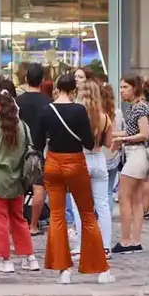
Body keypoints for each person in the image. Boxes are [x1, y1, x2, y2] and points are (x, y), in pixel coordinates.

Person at [35, 73, 112, 284]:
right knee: (88, 214)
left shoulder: (46, 111)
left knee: (57, 216)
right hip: (75, 163)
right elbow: (88, 143)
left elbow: (37, 142)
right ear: (74, 90)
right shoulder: (79, 110)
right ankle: (101, 270)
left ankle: (63, 271)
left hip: (52, 163)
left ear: (58, 88)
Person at [0, 92, 38, 273]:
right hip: (17, 179)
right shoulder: (24, 127)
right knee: (19, 219)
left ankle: (6, 260)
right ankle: (30, 257)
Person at [111, 74, 149, 255]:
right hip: (137, 155)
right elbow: (134, 130)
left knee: (124, 197)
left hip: (137, 154)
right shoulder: (138, 107)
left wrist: (122, 139)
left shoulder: (140, 108)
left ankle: (126, 240)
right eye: (121, 87)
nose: (121, 91)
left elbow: (144, 133)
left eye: (125, 87)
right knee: (136, 200)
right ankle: (135, 241)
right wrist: (116, 135)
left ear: (135, 88)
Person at [71, 80, 114, 254]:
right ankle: (105, 245)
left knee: (79, 205)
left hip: (81, 159)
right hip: (98, 159)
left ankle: (81, 245)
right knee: (102, 204)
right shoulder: (105, 118)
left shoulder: (76, 116)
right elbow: (109, 143)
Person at [16, 63, 50, 235]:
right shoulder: (48, 102)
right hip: (39, 149)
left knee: (19, 188)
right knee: (39, 188)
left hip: (20, 150)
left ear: (26, 78)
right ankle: (33, 225)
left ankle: (18, 222)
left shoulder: (18, 101)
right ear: (42, 80)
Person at [101, 82, 123, 210]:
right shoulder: (117, 113)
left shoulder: (97, 114)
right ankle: (107, 218)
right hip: (114, 155)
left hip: (100, 154)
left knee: (98, 192)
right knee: (109, 191)